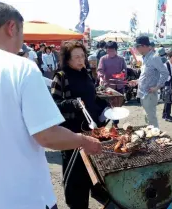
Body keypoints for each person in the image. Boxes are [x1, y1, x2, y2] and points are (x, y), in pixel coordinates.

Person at [0, 2, 101, 209]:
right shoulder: (21, 68)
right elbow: (46, 135)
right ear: (11, 28)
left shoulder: (86, 75)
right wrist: (84, 140)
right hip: (22, 197)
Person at [51, 41, 110, 209]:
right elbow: (54, 104)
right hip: (72, 134)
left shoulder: (86, 73)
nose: (81, 60)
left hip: (92, 131)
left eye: (82, 56)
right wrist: (72, 103)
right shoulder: (61, 76)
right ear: (67, 59)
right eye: (76, 57)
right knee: (76, 177)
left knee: (94, 171)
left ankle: (98, 196)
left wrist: (106, 108)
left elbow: (92, 98)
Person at [128, 36, 168, 128]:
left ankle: (155, 139)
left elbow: (165, 73)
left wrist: (157, 87)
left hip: (150, 93)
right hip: (143, 93)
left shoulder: (154, 57)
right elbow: (146, 75)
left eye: (137, 47)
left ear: (143, 46)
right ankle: (151, 138)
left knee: (151, 118)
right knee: (147, 118)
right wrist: (137, 81)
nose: (136, 49)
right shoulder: (145, 58)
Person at [97, 41, 127, 128]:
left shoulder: (121, 59)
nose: (110, 52)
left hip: (119, 85)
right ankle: (103, 122)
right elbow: (100, 70)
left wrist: (122, 74)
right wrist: (101, 78)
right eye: (108, 50)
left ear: (116, 50)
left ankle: (115, 123)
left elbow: (124, 70)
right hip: (108, 86)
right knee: (108, 105)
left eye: (112, 50)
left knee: (117, 106)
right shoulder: (103, 59)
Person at [162, 50, 172, 121]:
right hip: (167, 85)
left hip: (171, 85)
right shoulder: (166, 65)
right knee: (168, 101)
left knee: (169, 101)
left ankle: (165, 115)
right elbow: (162, 75)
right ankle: (167, 115)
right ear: (169, 57)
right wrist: (169, 77)